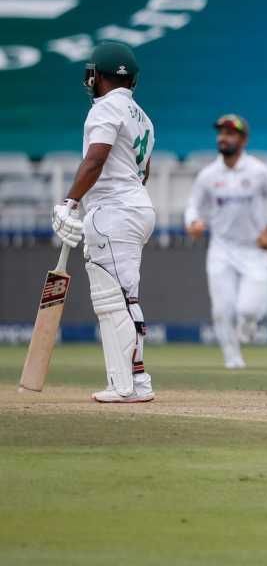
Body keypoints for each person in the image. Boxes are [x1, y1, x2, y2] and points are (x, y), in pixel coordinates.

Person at [51, 41, 157, 403]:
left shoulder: (105, 109)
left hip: (114, 212)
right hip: (135, 208)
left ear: (98, 76)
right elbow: (144, 172)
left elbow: (96, 158)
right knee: (126, 297)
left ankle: (124, 385)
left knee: (113, 301)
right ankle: (137, 382)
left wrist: (71, 201)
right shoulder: (143, 117)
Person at [185, 114, 267, 369]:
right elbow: (193, 206)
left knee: (248, 309)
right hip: (222, 248)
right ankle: (233, 359)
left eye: (230, 133)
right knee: (222, 309)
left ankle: (249, 323)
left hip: (254, 248)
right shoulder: (208, 175)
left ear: (243, 139)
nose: (223, 137)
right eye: (221, 132)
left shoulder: (258, 171)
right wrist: (193, 223)